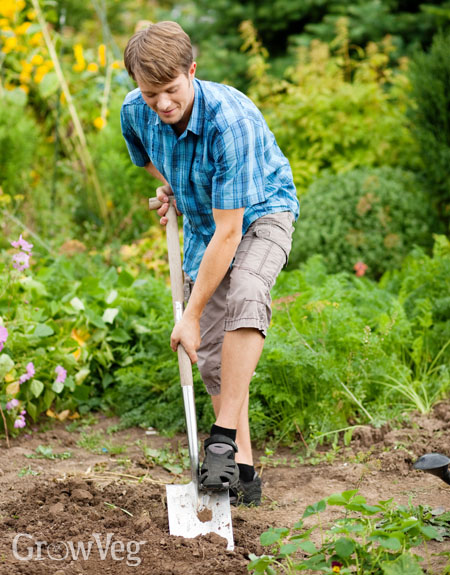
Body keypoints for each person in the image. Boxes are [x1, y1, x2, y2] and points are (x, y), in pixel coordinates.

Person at [121, 21, 299, 506]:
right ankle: (242, 470)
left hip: (261, 212)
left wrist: (191, 317)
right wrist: (175, 188)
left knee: (246, 293)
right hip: (205, 220)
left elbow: (231, 230)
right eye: (150, 92)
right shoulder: (135, 112)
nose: (162, 104)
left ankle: (219, 438)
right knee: (215, 363)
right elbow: (151, 160)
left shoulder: (230, 120)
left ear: (192, 71)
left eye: (171, 90)